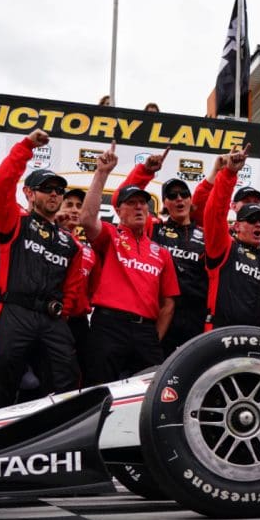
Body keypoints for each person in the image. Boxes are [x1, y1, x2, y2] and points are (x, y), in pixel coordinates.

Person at [0, 129, 87, 411]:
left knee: (66, 384)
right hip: (15, 312)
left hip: (52, 319)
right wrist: (26, 146)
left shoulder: (70, 242)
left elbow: (73, 287)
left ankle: (57, 444)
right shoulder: (15, 221)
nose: (54, 194)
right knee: (1, 383)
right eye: (46, 188)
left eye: (58, 190)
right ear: (29, 193)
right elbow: (1, 185)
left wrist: (62, 312)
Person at [80, 143, 180, 384]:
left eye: (142, 203)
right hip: (109, 326)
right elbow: (85, 219)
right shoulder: (110, 235)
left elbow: (168, 303)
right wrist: (102, 173)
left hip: (145, 331)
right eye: (131, 203)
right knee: (98, 392)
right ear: (118, 210)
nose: (138, 207)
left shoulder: (161, 252)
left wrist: (153, 337)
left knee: (149, 396)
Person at [120, 149, 213, 356]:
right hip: (159, 313)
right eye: (172, 196)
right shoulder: (154, 228)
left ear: (191, 200)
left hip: (196, 318)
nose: (179, 199)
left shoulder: (206, 236)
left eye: (183, 195)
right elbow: (122, 200)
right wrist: (144, 171)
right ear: (165, 204)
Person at [203, 145, 260, 336]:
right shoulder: (224, 248)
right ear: (236, 226)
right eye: (251, 220)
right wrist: (229, 173)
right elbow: (214, 214)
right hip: (219, 336)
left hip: (255, 340)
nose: (258, 224)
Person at [55, 187, 96, 374]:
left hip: (79, 321)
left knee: (82, 375)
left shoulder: (88, 248)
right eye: (69, 204)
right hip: (52, 318)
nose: (74, 210)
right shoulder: (48, 236)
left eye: (79, 206)